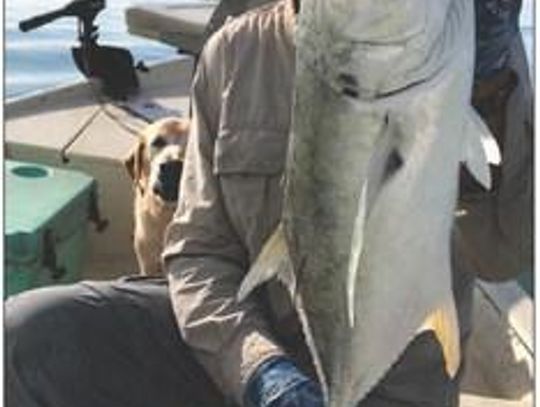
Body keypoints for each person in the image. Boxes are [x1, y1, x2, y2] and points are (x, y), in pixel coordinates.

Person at [6, 0, 532, 406]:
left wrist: (487, 90)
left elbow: (501, 256)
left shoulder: (471, 57)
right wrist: (260, 369)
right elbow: (197, 256)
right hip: (242, 356)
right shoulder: (234, 54)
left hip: (391, 383)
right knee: (31, 332)